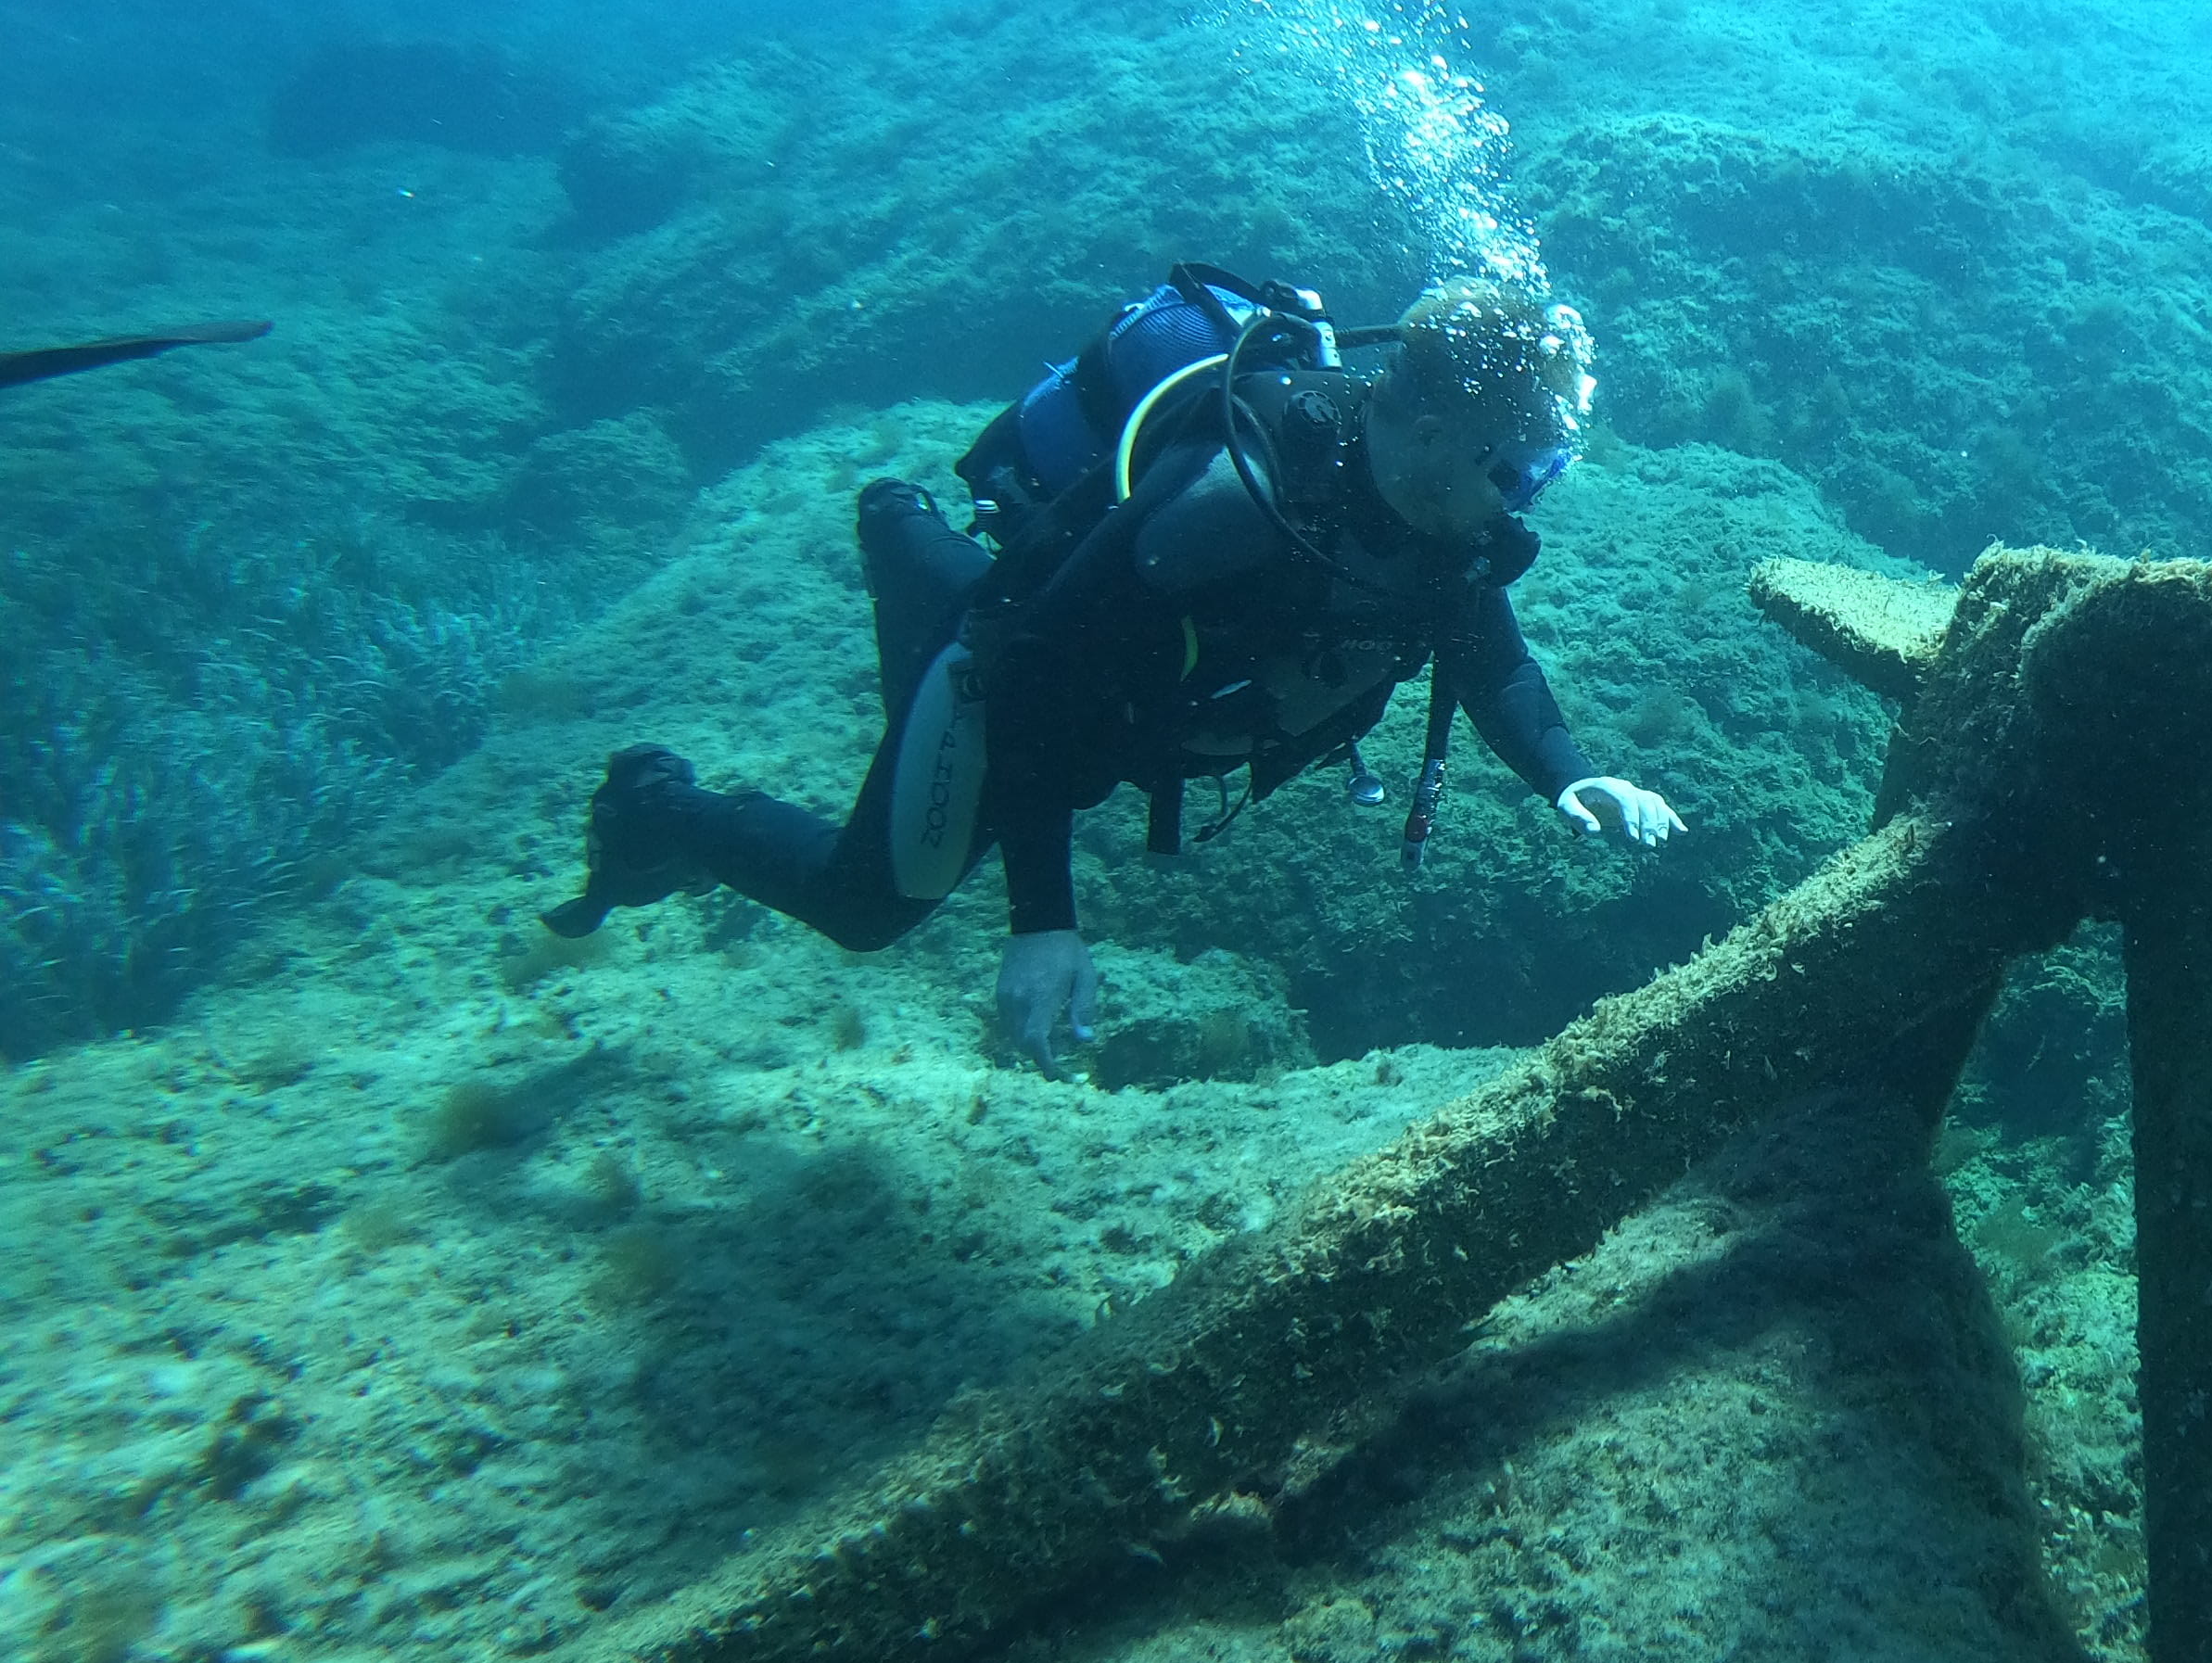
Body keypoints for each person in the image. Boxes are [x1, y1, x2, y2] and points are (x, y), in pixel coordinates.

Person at [543, 272, 1682, 1070]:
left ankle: (903, 532)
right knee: (869, 903)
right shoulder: (1234, 504)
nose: (1527, 500)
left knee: (1045, 623)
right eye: (1523, 470)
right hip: (1026, 675)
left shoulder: (1447, 523)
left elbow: (1492, 660)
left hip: (1109, 676)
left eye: (1546, 471)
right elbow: (1038, 672)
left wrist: (1570, 773)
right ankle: (656, 803)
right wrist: (1041, 920)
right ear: (1431, 433)